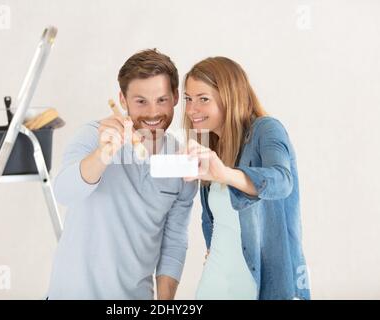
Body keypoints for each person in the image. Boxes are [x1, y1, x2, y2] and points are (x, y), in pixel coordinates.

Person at [46, 49, 197, 299]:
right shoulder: (92, 136)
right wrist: (103, 154)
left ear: (175, 98)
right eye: (140, 101)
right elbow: (64, 192)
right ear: (122, 100)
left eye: (161, 99)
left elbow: (174, 242)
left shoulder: (183, 161)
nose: (152, 113)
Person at [182, 56, 310, 300]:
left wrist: (226, 174)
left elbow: (282, 180)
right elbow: (213, 222)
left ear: (230, 96)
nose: (191, 110)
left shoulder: (267, 129)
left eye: (203, 99)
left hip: (265, 285)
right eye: (188, 99)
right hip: (216, 283)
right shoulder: (212, 146)